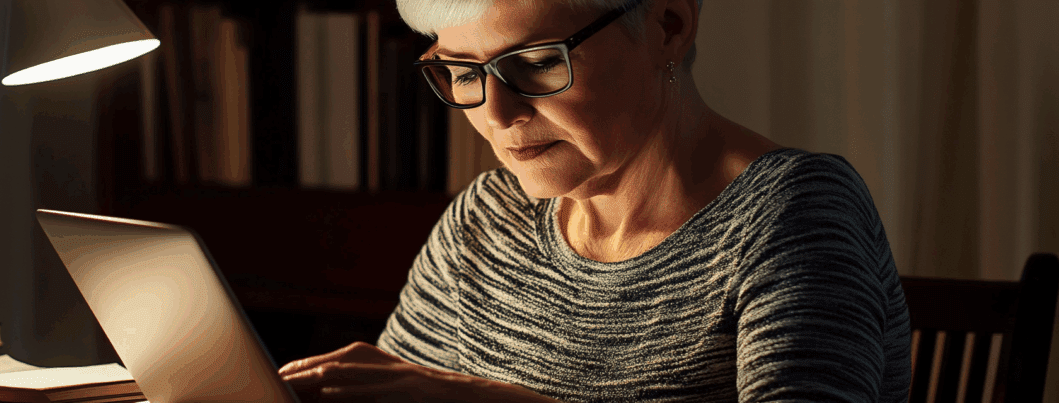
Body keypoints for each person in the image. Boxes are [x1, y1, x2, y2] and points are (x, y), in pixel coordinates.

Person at [278, 0, 912, 401]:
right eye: (464, 73)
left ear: (668, 25)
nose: (496, 114)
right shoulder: (490, 216)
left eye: (534, 63)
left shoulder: (791, 211)